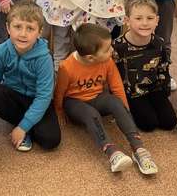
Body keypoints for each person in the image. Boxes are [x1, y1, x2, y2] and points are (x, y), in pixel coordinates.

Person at [55, 24, 158, 174]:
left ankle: (138, 148)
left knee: (115, 102)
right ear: (90, 58)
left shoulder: (107, 61)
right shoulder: (66, 67)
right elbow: (59, 92)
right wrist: (58, 111)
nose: (112, 50)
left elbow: (117, 86)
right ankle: (112, 153)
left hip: (97, 98)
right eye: (107, 49)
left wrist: (124, 112)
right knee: (91, 114)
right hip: (74, 103)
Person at [0, 0, 61, 152]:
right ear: (8, 28)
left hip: (37, 100)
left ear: (39, 32)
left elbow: (44, 96)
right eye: (17, 27)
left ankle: (24, 127)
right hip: (13, 96)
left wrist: (23, 127)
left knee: (51, 140)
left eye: (30, 28)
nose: (23, 34)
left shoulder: (44, 58)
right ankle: (26, 125)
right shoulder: (1, 51)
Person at [113, 0, 177, 132]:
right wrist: (121, 101)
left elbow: (163, 69)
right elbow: (114, 77)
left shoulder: (159, 43)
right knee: (148, 124)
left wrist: (164, 93)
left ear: (157, 20)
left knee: (169, 122)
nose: (145, 23)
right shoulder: (118, 46)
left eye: (150, 18)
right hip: (132, 93)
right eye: (138, 18)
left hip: (154, 88)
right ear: (127, 20)